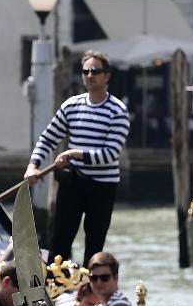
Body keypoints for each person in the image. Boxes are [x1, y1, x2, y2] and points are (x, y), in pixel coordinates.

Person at [25, 50, 130, 267]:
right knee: (60, 242)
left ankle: (89, 292)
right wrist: (33, 165)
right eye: (85, 71)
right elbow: (48, 138)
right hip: (74, 182)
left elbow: (110, 154)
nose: (89, 75)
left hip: (103, 186)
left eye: (95, 71)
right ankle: (57, 291)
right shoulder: (72, 105)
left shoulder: (117, 111)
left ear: (106, 76)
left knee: (94, 244)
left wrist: (74, 153)